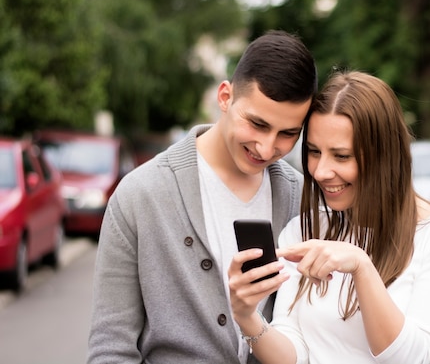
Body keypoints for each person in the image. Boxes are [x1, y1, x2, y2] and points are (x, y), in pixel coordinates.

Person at [87, 30, 318, 364]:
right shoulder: (140, 194)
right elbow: (111, 347)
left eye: (287, 134)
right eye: (256, 124)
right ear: (225, 97)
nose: (267, 148)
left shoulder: (303, 200)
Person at [228, 70, 430, 364]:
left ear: (385, 155)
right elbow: (293, 355)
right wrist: (247, 317)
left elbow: (414, 358)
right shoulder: (304, 229)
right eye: (314, 152)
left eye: (341, 156)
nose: (321, 171)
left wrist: (362, 267)